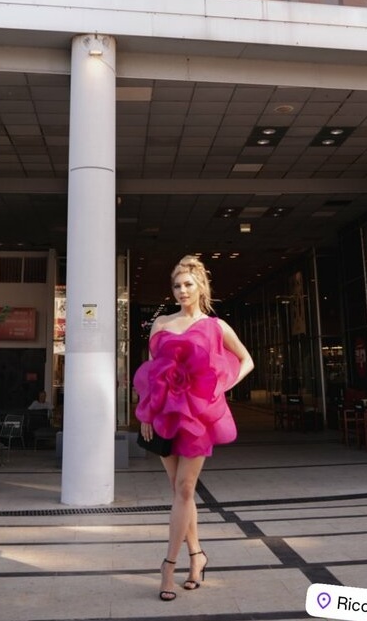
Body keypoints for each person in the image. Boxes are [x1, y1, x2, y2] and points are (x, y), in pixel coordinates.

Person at [133, 254, 254, 601]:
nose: (182, 290)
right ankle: (197, 555)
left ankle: (168, 566)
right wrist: (145, 413)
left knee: (185, 489)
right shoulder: (161, 323)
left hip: (198, 419)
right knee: (178, 492)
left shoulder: (216, 326)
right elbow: (152, 373)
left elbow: (246, 360)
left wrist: (218, 387)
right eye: (176, 285)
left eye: (187, 284)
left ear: (200, 286)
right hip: (164, 414)